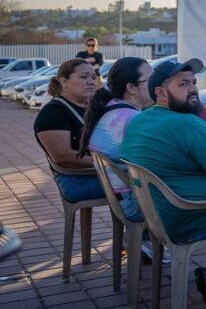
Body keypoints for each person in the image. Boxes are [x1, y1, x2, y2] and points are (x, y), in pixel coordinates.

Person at [120, 57, 206, 309]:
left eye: (194, 82)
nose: (193, 88)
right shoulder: (190, 124)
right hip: (195, 217)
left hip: (160, 218)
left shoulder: (139, 120)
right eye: (183, 84)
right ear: (160, 93)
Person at [78, 57, 153, 222]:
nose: (157, 84)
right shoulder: (131, 119)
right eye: (151, 80)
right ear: (131, 88)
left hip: (122, 201)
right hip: (136, 205)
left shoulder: (110, 108)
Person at [33, 59, 102, 202]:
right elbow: (63, 156)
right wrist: (109, 165)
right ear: (64, 82)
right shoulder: (53, 112)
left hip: (95, 173)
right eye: (84, 77)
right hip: (76, 180)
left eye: (93, 77)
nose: (91, 81)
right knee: (139, 188)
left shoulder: (87, 107)